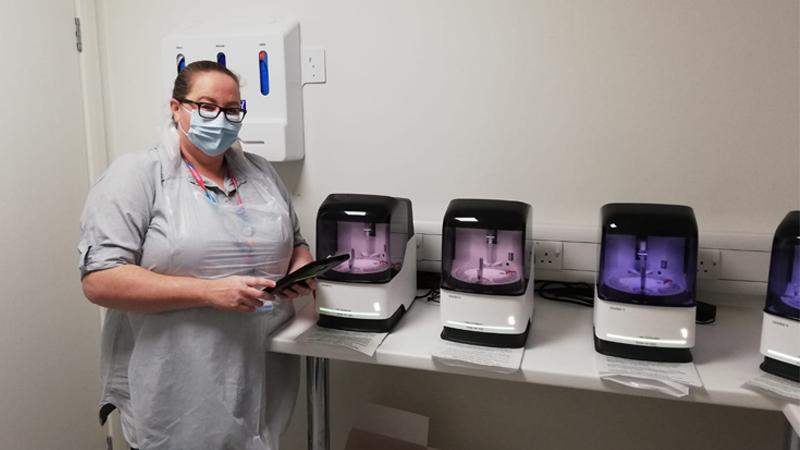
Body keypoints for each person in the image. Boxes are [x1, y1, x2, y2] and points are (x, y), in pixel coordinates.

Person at [78, 60, 313, 450]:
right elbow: (100, 281)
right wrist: (210, 293)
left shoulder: (261, 175)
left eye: (232, 109)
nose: (220, 118)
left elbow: (297, 240)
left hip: (261, 367)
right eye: (206, 106)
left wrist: (301, 265)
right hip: (177, 381)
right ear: (176, 108)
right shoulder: (137, 176)